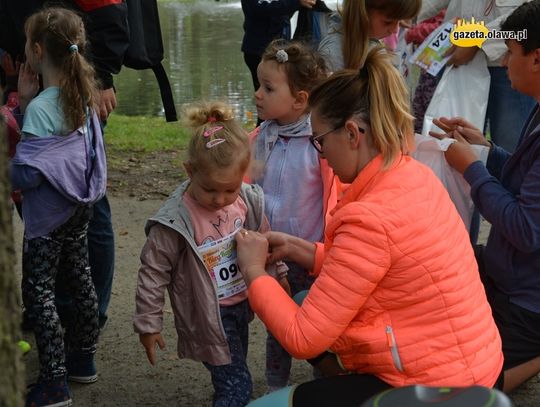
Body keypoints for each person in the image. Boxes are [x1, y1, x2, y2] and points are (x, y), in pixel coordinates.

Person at [234, 47, 504, 407]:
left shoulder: (369, 217)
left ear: (351, 133)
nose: (321, 152)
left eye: (320, 140)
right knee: (303, 300)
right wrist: (305, 250)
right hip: (476, 364)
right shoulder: (412, 175)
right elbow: (376, 264)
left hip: (439, 386)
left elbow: (303, 338)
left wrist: (254, 272)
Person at [133, 101, 289, 407]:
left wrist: (278, 273)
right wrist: (149, 324)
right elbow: (152, 272)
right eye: (210, 190)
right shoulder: (176, 221)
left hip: (241, 305)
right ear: (190, 172)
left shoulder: (247, 201)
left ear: (242, 176)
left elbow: (265, 240)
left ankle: (225, 387)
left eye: (229, 189)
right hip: (207, 314)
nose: (220, 200)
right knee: (237, 387)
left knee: (233, 366)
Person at [430, 0, 540, 393]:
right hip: (510, 273)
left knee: (463, 384)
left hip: (526, 296)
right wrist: (485, 150)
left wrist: (472, 169)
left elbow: (498, 31)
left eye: (514, 56)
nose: (510, 60)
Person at [0, 0, 129, 330]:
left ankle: (88, 317)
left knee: (87, 203)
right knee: (40, 206)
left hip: (77, 86)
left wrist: (102, 77)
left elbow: (110, 14)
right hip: (26, 77)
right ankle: (55, 307)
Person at [10, 8, 107, 406]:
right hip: (80, 209)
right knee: (80, 278)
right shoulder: (81, 97)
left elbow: (30, 172)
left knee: (40, 294)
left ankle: (53, 382)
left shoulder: (38, 110)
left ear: (36, 51)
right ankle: (83, 359)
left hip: (47, 217)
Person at [248, 39, 337, 393]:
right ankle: (276, 385)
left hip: (309, 254)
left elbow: (336, 193)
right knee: (278, 321)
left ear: (300, 99)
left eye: (268, 88)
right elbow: (243, 184)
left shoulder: (320, 143)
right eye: (259, 84)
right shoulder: (260, 138)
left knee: (322, 323)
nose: (257, 94)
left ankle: (326, 381)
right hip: (270, 250)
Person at [419, 0, 535, 153]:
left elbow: (531, 14)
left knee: (510, 148)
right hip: (459, 55)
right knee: (452, 141)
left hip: (505, 60)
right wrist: (407, 9)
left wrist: (478, 39)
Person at [318, 0, 421, 71]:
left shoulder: (372, 42)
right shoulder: (333, 54)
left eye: (399, 21)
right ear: (362, 11)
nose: (395, 30)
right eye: (388, 22)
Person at [240, 0, 316, 96]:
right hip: (258, 51)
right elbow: (258, 9)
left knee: (284, 90)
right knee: (265, 94)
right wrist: (295, 3)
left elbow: (284, 13)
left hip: (281, 50)